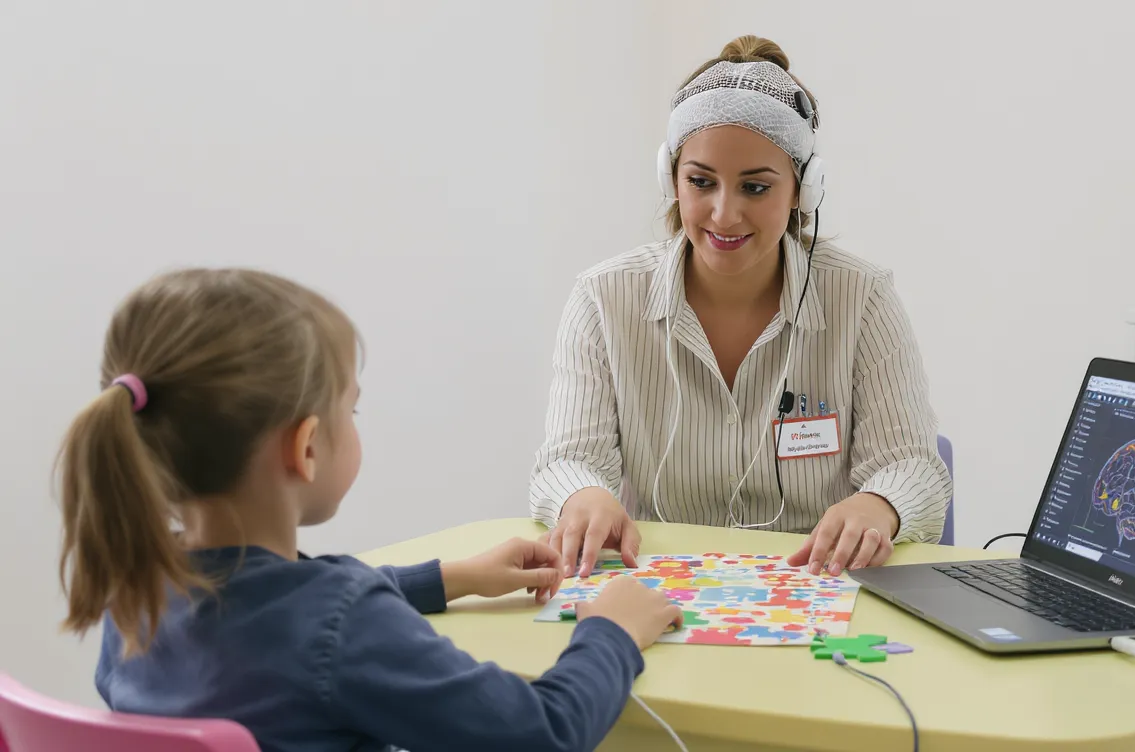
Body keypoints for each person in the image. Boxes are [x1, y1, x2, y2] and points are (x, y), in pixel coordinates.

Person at [57, 268, 682, 752]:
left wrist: (451, 578)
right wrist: (612, 632)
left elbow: (289, 608)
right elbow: (545, 732)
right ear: (306, 447)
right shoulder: (343, 624)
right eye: (349, 411)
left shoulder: (137, 585)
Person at [530, 36, 952, 581]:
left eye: (755, 187)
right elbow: (568, 458)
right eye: (700, 182)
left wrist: (879, 507)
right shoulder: (602, 300)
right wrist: (584, 496)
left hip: (818, 590)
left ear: (805, 190)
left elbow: (912, 466)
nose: (724, 214)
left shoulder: (863, 300)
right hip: (657, 594)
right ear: (671, 178)